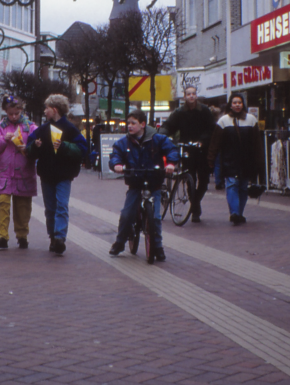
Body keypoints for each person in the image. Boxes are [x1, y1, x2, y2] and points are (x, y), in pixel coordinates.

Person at [109, 109, 179, 261]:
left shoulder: (157, 139)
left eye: (133, 123)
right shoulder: (124, 142)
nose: (129, 126)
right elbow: (115, 154)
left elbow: (172, 149)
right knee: (127, 214)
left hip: (154, 181)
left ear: (142, 124)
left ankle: (158, 246)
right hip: (135, 182)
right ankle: (120, 242)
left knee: (155, 217)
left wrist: (171, 163)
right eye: (128, 123)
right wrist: (117, 164)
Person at [26, 94, 88, 255]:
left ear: (54, 110)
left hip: (63, 175)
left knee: (61, 205)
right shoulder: (43, 129)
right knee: (50, 208)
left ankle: (60, 237)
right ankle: (53, 236)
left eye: (46, 108)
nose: (45, 111)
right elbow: (29, 148)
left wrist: (64, 146)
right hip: (46, 174)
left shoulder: (70, 129)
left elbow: (83, 149)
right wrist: (35, 145)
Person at [0, 97, 38, 249]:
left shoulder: (31, 127)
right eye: (11, 113)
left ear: (21, 111)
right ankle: (2, 236)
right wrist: (2, 140)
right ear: (6, 112)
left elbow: (38, 146)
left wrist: (28, 148)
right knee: (2, 205)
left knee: (23, 207)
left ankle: (22, 236)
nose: (14, 116)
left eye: (17, 113)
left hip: (24, 174)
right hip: (4, 174)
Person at [159, 85, 216, 222]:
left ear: (196, 95)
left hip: (202, 149)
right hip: (187, 149)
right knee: (190, 179)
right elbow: (169, 125)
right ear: (184, 96)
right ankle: (195, 208)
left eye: (193, 94)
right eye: (188, 94)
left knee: (204, 180)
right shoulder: (180, 112)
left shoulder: (204, 111)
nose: (191, 96)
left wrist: (203, 140)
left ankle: (195, 203)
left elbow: (211, 129)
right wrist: (162, 135)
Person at [205, 92, 263, 226]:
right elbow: (215, 142)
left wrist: (259, 161)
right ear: (230, 105)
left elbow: (257, 143)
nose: (237, 105)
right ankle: (234, 213)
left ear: (243, 104)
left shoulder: (251, 120)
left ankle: (239, 213)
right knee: (231, 185)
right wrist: (211, 159)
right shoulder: (223, 121)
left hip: (246, 160)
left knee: (243, 187)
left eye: (240, 102)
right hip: (229, 159)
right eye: (235, 102)